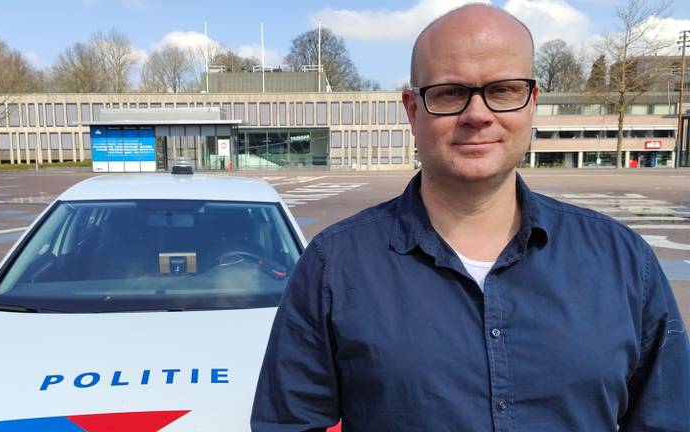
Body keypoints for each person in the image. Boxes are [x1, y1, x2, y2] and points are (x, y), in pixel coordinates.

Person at [251, 4, 690, 431]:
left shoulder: (625, 263)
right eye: (450, 92)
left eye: (503, 90)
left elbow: (667, 418)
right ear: (412, 110)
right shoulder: (334, 266)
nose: (477, 115)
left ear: (532, 101)